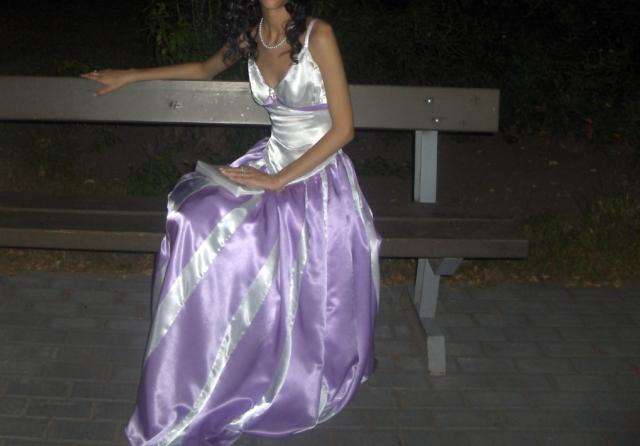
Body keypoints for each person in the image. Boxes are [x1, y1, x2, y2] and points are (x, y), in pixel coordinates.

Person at [81, 1, 380, 444]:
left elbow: (343, 130)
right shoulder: (251, 35)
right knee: (192, 217)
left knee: (250, 239)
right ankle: (197, 360)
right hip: (270, 164)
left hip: (316, 178)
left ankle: (260, 357)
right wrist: (130, 75)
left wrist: (277, 180)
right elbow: (204, 69)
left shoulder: (318, 35)